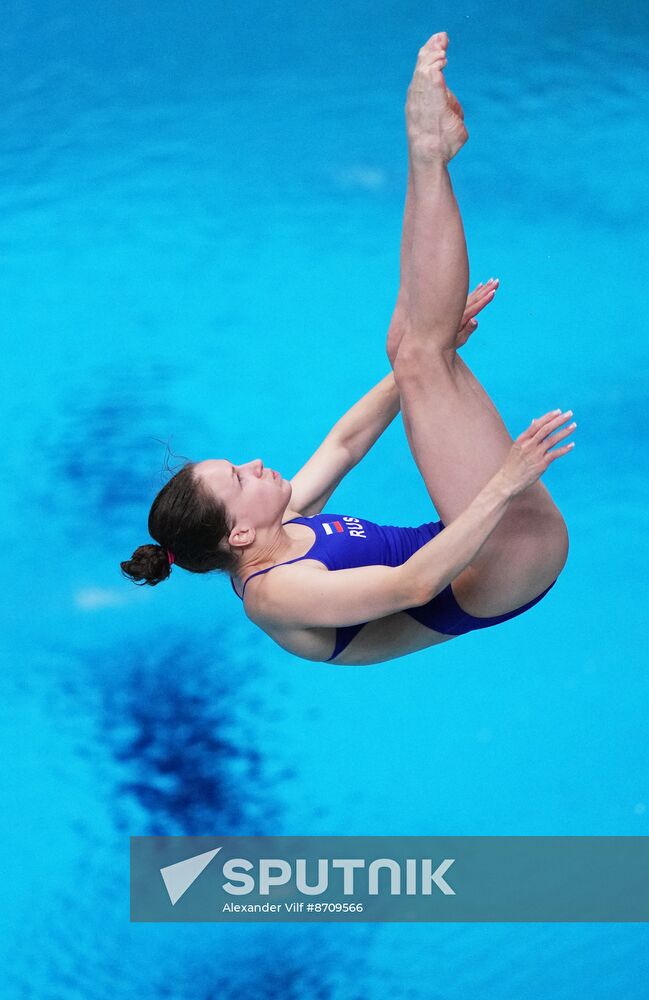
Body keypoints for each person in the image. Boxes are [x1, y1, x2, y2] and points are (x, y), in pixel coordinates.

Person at [121, 31, 575, 665]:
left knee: (410, 346)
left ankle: (431, 154)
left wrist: (423, 351)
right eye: (238, 478)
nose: (254, 463)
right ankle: (425, 152)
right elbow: (413, 585)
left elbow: (346, 442)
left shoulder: (273, 529)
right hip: (506, 562)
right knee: (421, 353)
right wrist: (504, 481)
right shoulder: (275, 594)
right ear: (239, 532)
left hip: (480, 542)